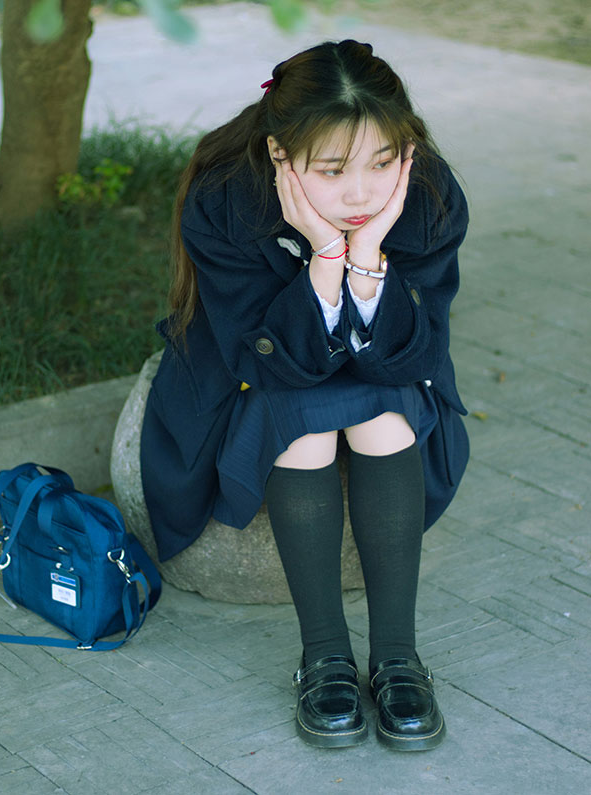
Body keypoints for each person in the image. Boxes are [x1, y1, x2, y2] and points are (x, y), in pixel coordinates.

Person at [140, 39, 469, 750]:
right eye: (333, 170)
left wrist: (369, 257)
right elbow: (268, 359)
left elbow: (418, 351)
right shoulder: (229, 195)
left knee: (384, 414)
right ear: (282, 157)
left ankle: (397, 658)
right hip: (254, 372)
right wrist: (324, 258)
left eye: (383, 161)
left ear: (406, 148)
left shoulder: (428, 197)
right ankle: (323, 654)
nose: (362, 193)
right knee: (305, 419)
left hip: (382, 368)